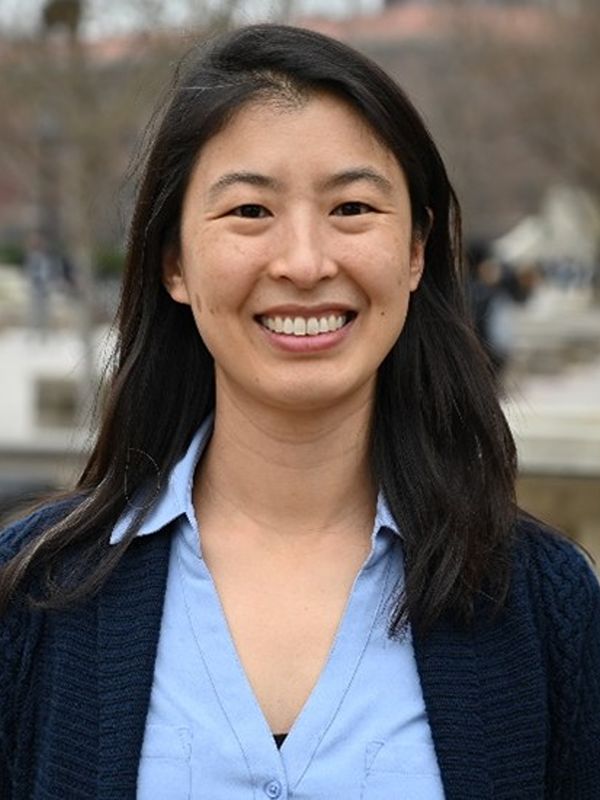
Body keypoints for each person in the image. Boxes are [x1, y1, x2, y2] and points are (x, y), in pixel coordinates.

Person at [1, 24, 599, 800]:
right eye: (250, 211)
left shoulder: (546, 606)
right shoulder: (33, 596)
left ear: (416, 252)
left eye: (352, 207)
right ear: (173, 262)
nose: (306, 263)